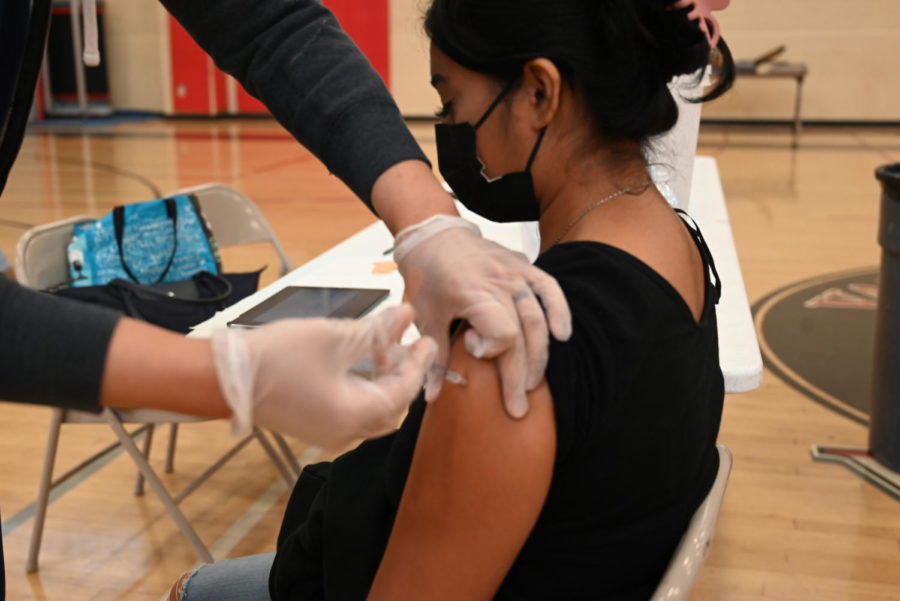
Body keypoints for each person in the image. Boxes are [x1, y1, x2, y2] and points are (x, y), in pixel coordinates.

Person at [168, 1, 735, 600]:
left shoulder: (515, 347)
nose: (452, 134)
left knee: (191, 589)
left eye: (452, 103)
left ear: (540, 92)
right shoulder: (676, 241)